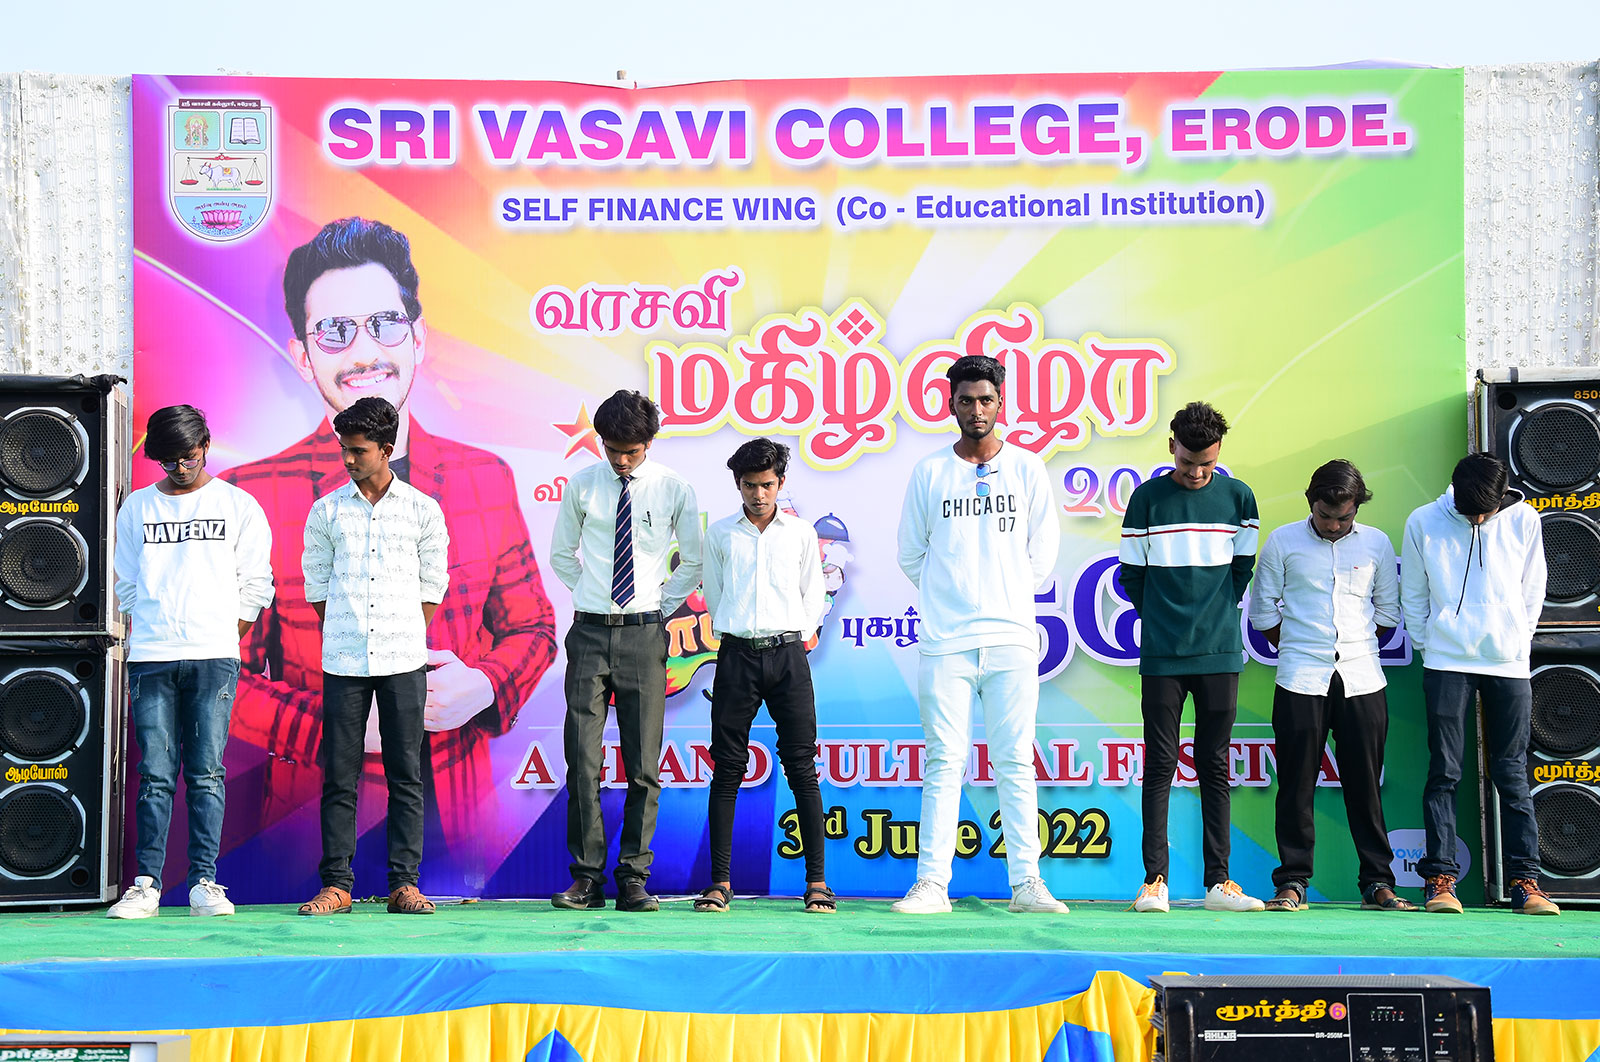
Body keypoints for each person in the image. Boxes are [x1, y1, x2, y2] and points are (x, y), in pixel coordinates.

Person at [221, 217, 556, 871]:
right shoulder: (251, 496)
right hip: (307, 836)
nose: (364, 352)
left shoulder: (484, 476)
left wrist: (484, 685)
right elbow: (218, 673)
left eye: (384, 324)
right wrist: (333, 728)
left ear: (418, 337)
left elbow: (535, 627)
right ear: (303, 356)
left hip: (464, 836)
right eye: (335, 332)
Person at [893, 354, 1066, 915]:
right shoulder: (930, 472)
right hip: (946, 642)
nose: (976, 409)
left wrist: (1003, 595)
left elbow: (1043, 552)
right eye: (966, 400)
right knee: (945, 762)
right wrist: (955, 597)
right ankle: (931, 885)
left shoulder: (1027, 468)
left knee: (1014, 761)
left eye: (986, 399)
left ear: (1001, 402)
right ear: (951, 405)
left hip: (1012, 637)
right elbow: (911, 554)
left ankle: (1027, 884)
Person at [109, 405, 274, 918]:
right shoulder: (137, 507)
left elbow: (256, 582)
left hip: (213, 657)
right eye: (168, 461)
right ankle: (146, 885)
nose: (180, 468)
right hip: (152, 658)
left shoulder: (237, 504)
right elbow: (126, 581)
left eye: (189, 457)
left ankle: (204, 882)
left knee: (206, 773)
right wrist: (152, 625)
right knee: (156, 774)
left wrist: (223, 635)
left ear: (205, 445)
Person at [549, 390, 703, 912]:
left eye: (631, 451)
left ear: (649, 443)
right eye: (612, 449)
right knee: (582, 760)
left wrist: (657, 606)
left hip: (644, 633)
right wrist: (591, 594)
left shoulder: (674, 488)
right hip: (589, 633)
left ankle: (634, 877)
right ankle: (586, 878)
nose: (620, 460)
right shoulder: (582, 484)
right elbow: (561, 554)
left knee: (643, 766)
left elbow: (693, 562)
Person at [296, 397, 450, 916]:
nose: (347, 459)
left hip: (404, 659)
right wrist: (349, 629)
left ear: (386, 449)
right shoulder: (327, 510)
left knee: (406, 776)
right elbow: (316, 584)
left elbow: (433, 585)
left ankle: (404, 885)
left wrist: (401, 632)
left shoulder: (422, 510)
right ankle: (337, 885)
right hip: (343, 661)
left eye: (358, 450)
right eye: (343, 449)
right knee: (339, 777)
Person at [1248, 460, 1416, 912]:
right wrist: (1302, 647)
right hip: (1300, 677)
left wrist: (1354, 648)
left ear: (1357, 508)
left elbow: (1387, 612)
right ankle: (1292, 882)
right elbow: (1262, 611)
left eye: (1344, 517)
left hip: (1363, 678)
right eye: (1325, 515)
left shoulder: (1377, 543)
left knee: (1366, 786)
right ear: (1311, 503)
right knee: (1295, 786)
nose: (1335, 525)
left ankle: (1378, 883)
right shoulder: (1283, 541)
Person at [1119, 401, 1263, 913]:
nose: (1198, 473)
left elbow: (1241, 571)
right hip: (1163, 654)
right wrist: (1164, 619)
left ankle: (1218, 883)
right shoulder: (1146, 499)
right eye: (1187, 462)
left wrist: (1215, 616)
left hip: (1220, 653)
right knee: (1160, 763)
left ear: (1218, 454)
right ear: (1171, 447)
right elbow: (1132, 575)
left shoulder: (1239, 497)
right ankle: (1154, 882)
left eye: (1208, 463)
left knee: (1214, 765)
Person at [1401, 452, 1558, 915]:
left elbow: (1534, 587)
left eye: (1486, 512)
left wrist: (1517, 641)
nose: (1478, 519)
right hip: (1446, 660)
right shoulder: (1423, 521)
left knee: (1511, 771)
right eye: (1470, 512)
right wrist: (1432, 646)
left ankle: (1526, 881)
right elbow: (1413, 593)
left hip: (1508, 662)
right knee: (1445, 771)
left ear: (1502, 497)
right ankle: (1440, 880)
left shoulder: (1525, 519)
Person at [694, 438, 832, 914]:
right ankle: (719, 883)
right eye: (750, 485)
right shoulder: (720, 535)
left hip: (789, 656)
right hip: (736, 656)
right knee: (727, 769)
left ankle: (817, 883)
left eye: (767, 485)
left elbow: (813, 595)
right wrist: (742, 633)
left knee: (801, 767)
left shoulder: (801, 533)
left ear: (781, 483)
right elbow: (715, 597)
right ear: (738, 484)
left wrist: (795, 637)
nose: (759, 494)